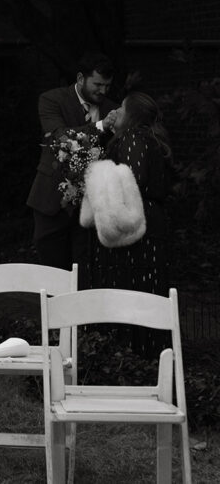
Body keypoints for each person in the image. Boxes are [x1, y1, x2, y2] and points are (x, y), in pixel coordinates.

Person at [89, 92, 172, 356]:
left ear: (133, 115)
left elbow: (130, 182)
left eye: (122, 109)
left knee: (134, 290)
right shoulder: (148, 139)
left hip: (137, 227)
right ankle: (144, 358)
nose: (117, 112)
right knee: (140, 291)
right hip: (147, 222)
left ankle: (136, 360)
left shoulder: (134, 138)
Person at [26, 52, 118, 280]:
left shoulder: (113, 108)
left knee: (87, 270)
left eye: (107, 86)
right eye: (98, 84)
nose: (103, 91)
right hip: (51, 198)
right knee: (52, 271)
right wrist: (101, 126)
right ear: (80, 78)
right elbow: (59, 137)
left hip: (92, 204)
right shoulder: (52, 100)